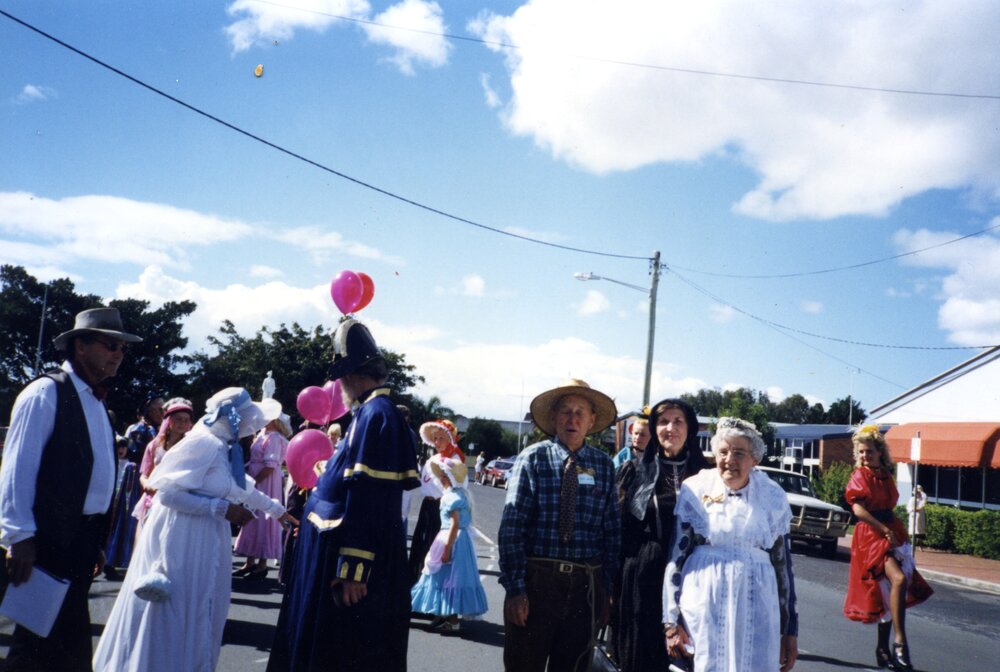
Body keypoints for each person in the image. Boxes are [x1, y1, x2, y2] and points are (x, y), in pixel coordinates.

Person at [92, 387, 298, 672]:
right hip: (182, 541)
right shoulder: (205, 444)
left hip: (201, 537)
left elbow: (240, 486)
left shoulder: (221, 446)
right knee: (178, 612)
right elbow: (166, 494)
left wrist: (277, 511)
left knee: (198, 610)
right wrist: (222, 509)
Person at [267, 319, 420, 672]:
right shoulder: (368, 414)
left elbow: (372, 497)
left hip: (350, 567)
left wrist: (354, 568)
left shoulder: (377, 416)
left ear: (350, 374)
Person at [0, 306, 142, 671]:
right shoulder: (45, 393)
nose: (119, 355)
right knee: (36, 642)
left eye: (122, 348)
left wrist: (93, 542)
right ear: (80, 346)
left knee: (67, 643)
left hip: (80, 539)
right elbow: (17, 469)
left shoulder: (97, 403)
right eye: (111, 345)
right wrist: (19, 537)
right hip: (47, 539)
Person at [499, 378, 620, 672]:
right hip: (537, 583)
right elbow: (512, 527)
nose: (573, 418)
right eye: (566, 411)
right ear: (553, 418)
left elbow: (612, 532)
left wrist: (609, 590)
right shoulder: (533, 458)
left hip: (585, 587)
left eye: (581, 412)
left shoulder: (604, 466)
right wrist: (516, 589)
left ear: (592, 421)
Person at [663, 417, 798, 672]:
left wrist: (790, 631)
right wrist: (670, 621)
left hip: (757, 604)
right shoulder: (696, 488)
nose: (729, 460)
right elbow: (675, 559)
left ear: (754, 459)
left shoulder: (772, 496)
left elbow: (783, 568)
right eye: (723, 452)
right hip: (704, 600)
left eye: (739, 453)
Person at [614, 399, 708, 672]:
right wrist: (614, 584)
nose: (670, 428)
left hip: (693, 575)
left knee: (689, 653)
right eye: (663, 422)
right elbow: (621, 530)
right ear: (654, 429)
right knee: (643, 655)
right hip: (646, 573)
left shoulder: (707, 476)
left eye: (678, 421)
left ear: (690, 428)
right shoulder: (635, 471)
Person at [843, 425, 933, 671]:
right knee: (899, 579)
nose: (864, 456)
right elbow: (858, 510)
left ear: (880, 451)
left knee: (887, 590)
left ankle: (882, 650)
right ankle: (900, 642)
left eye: (869, 451)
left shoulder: (886, 475)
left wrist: (891, 530)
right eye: (861, 452)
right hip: (872, 535)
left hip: (891, 529)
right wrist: (883, 529)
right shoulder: (859, 476)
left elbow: (891, 503)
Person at [410, 456, 489, 634]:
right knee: (446, 578)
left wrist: (446, 549)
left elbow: (454, 524)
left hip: (452, 540)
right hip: (458, 540)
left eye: (444, 476)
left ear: (450, 479)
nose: (441, 478)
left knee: (449, 578)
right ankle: (443, 614)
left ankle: (452, 620)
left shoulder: (451, 497)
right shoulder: (459, 494)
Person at [234, 401, 291, 579]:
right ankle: (250, 560)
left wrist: (255, 482)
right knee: (252, 515)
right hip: (257, 476)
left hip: (265, 481)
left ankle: (262, 562)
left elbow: (271, 466)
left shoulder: (274, 438)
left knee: (262, 517)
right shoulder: (262, 434)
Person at [409, 419, 466, 586]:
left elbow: (457, 487)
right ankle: (416, 585)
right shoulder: (433, 458)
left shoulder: (455, 459)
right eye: (435, 438)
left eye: (441, 438)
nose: (437, 442)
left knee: (436, 546)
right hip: (427, 506)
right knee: (421, 544)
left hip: (443, 507)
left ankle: (432, 588)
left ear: (450, 438)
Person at [131, 397, 195, 539]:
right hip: (154, 498)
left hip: (179, 500)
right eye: (179, 419)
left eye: (186, 420)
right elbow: (144, 474)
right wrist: (147, 485)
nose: (183, 423)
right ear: (169, 420)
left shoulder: (192, 447)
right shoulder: (155, 445)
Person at [124, 394, 165, 466]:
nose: (163, 413)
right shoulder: (139, 430)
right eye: (160, 409)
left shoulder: (160, 429)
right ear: (149, 411)